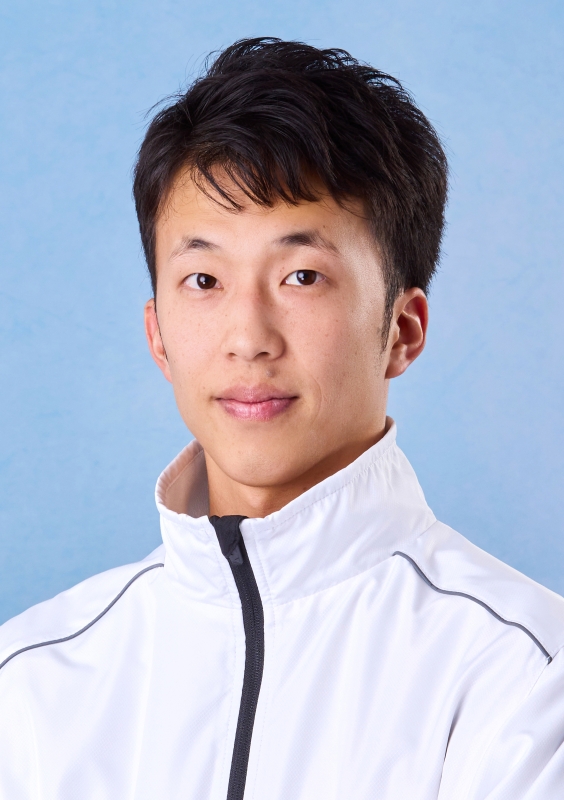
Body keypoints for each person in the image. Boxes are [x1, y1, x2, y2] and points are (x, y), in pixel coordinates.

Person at [0, 36, 563, 800]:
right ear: (158, 335)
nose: (249, 338)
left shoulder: (527, 677)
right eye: (204, 279)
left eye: (302, 275)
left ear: (403, 329)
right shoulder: (29, 688)